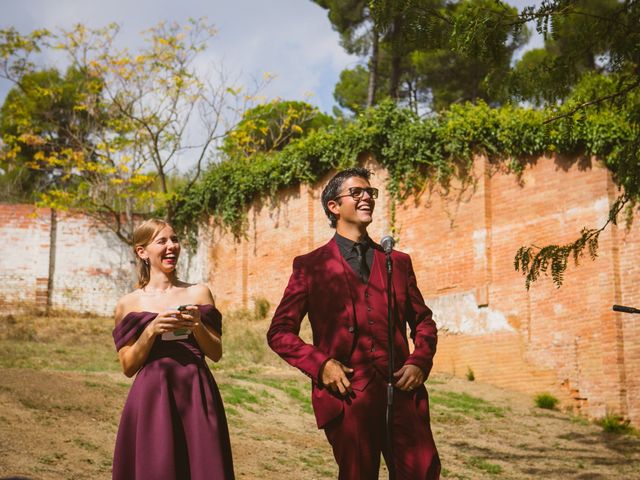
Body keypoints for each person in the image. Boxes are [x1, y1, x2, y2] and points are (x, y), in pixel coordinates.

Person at [267, 168, 440, 479]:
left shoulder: (397, 262)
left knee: (423, 469)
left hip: (400, 389)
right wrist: (320, 366)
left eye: (370, 192)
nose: (367, 198)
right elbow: (279, 332)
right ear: (334, 207)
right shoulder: (310, 267)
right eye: (357, 192)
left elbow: (423, 320)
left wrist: (419, 361)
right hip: (348, 396)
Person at [112, 219, 234, 480]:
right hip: (152, 395)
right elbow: (128, 366)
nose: (172, 246)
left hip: (196, 392)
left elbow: (216, 353)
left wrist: (197, 325)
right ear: (141, 251)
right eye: (162, 241)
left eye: (175, 240)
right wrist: (151, 330)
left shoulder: (199, 293)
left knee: (203, 466)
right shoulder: (128, 304)